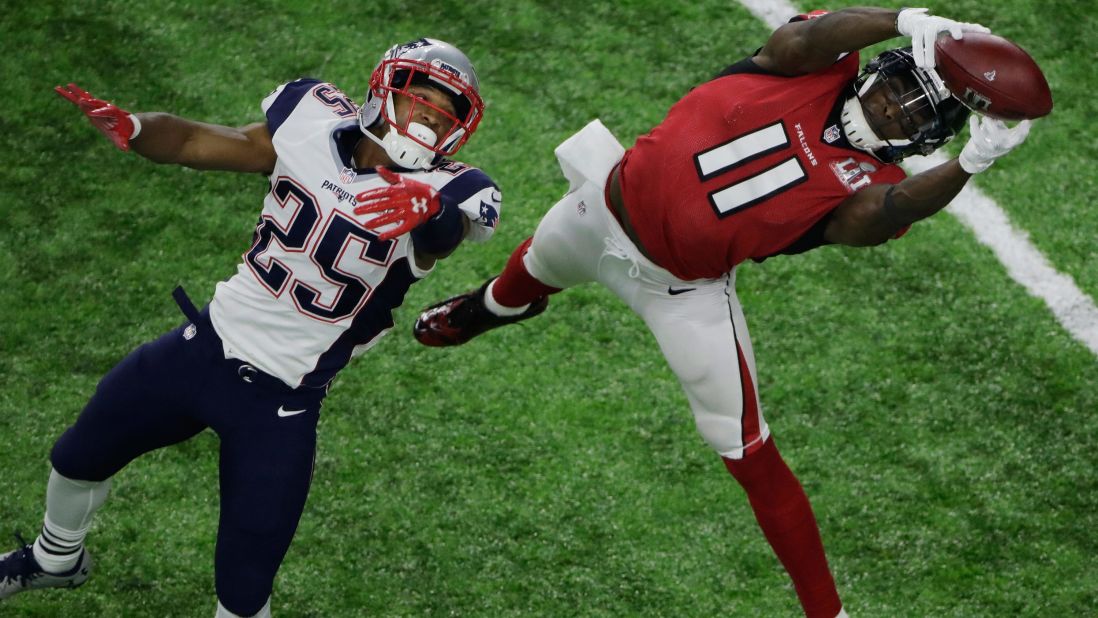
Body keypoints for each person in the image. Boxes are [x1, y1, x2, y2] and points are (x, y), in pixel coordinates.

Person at [411, 8, 1032, 618]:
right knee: (535, 267)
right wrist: (901, 20)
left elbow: (885, 211)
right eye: (900, 88)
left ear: (927, 137)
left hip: (681, 291)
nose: (897, 107)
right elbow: (806, 36)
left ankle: (828, 613)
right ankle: (488, 309)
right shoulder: (816, 66)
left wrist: (973, 164)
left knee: (749, 451)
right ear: (880, 68)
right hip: (602, 203)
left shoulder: (872, 177)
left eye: (918, 110)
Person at [0, 38, 502, 617]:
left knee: (243, 592)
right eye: (421, 101)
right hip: (204, 346)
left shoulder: (452, 190)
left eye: (446, 113)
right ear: (384, 90)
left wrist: (429, 211)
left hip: (282, 400)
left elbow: (444, 236)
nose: (429, 119)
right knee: (75, 457)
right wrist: (136, 128)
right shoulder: (312, 118)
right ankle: (54, 561)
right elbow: (196, 140)